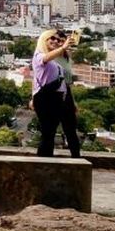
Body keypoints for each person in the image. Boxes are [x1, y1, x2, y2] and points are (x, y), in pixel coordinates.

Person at [32, 28, 82, 157]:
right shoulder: (39, 56)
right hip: (46, 97)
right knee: (48, 133)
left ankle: (75, 158)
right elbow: (44, 63)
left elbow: (64, 82)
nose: (56, 41)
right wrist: (62, 47)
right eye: (52, 38)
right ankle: (43, 163)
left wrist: (71, 100)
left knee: (63, 130)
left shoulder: (58, 61)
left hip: (59, 96)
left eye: (59, 40)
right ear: (44, 40)